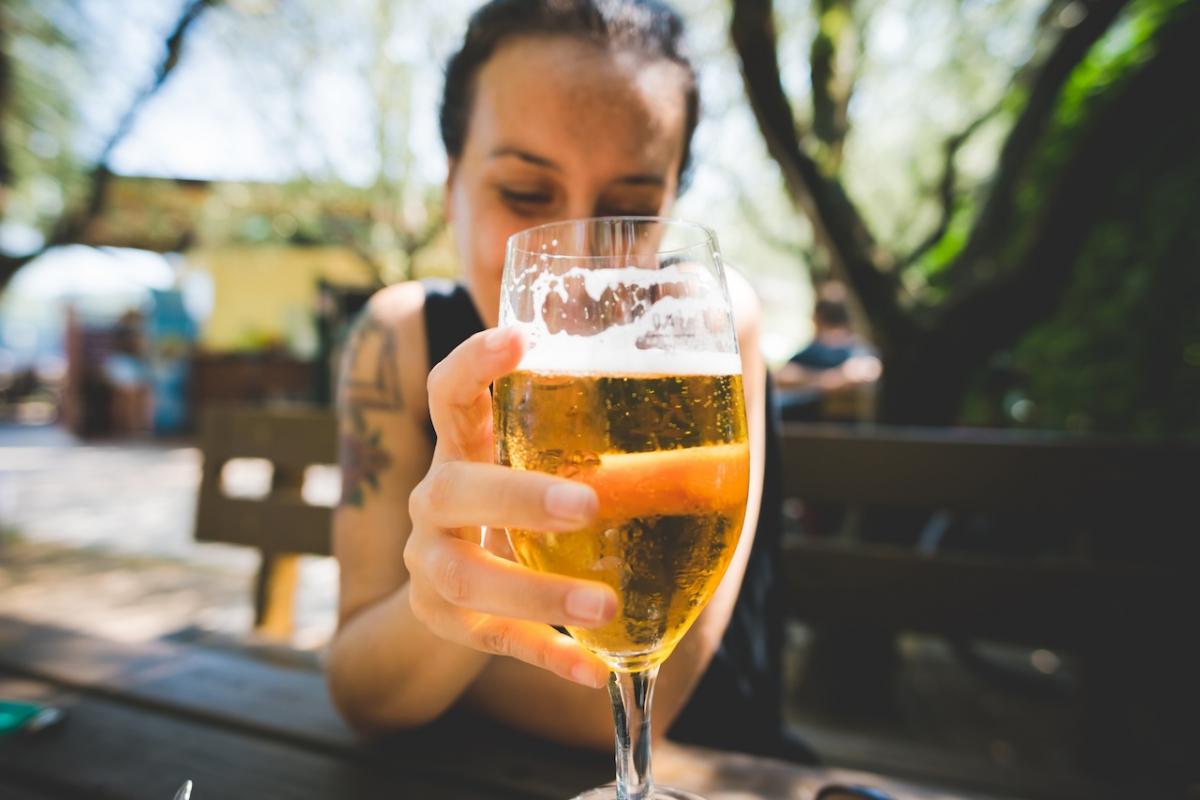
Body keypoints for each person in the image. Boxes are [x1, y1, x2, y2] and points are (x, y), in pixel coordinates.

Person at [327, 0, 813, 763]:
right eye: (525, 194)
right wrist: (457, 585)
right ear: (451, 181)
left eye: (629, 208)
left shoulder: (710, 328)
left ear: (674, 199)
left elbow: (623, 688)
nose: (576, 262)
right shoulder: (393, 339)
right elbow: (356, 692)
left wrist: (422, 647)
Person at [775, 281, 880, 422]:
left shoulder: (855, 352)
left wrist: (809, 382)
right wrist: (828, 380)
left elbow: (861, 374)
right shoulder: (860, 350)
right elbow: (780, 377)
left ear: (817, 318)